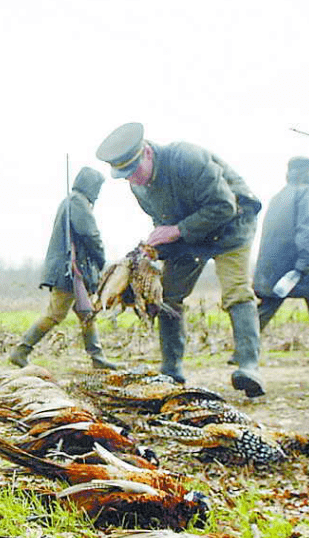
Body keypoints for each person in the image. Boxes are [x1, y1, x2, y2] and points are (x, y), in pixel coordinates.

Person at [96, 122, 265, 397]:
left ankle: (249, 368)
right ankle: (171, 369)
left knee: (237, 292)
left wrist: (176, 231)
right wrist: (152, 252)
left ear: (147, 153)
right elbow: (165, 223)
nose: (132, 179)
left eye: (134, 170)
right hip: (190, 235)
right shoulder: (138, 187)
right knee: (168, 295)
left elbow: (224, 206)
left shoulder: (187, 159)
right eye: (124, 176)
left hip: (233, 224)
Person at [9, 167, 118, 369]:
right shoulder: (77, 202)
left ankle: (97, 358)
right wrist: (101, 258)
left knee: (87, 313)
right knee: (55, 314)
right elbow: (90, 234)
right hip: (69, 271)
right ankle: (21, 351)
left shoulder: (71, 201)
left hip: (72, 270)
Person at [254, 157, 309, 366]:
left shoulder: (278, 197)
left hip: (278, 270)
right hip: (306, 268)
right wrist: (305, 264)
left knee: (265, 309)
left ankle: (241, 353)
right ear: (306, 173)